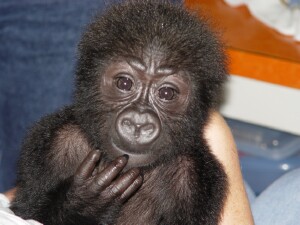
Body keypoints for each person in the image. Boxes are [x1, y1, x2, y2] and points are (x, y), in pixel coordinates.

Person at [0, 111, 254, 225]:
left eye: (165, 94)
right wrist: (67, 212)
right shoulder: (62, 139)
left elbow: (17, 205)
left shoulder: (190, 169)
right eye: (124, 84)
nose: (140, 116)